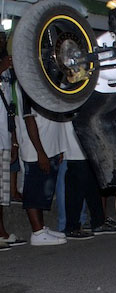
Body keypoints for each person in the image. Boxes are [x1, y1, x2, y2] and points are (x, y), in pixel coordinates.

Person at [15, 83, 67, 246]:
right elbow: (29, 119)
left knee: (41, 191)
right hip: (36, 149)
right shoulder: (26, 85)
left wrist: (58, 147)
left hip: (49, 146)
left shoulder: (42, 81)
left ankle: (42, 228)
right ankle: (37, 232)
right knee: (33, 191)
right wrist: (41, 152)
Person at [0, 49, 26, 250]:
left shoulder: (9, 75)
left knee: (2, 193)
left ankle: (1, 232)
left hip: (5, 139)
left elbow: (11, 109)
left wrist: (14, 141)